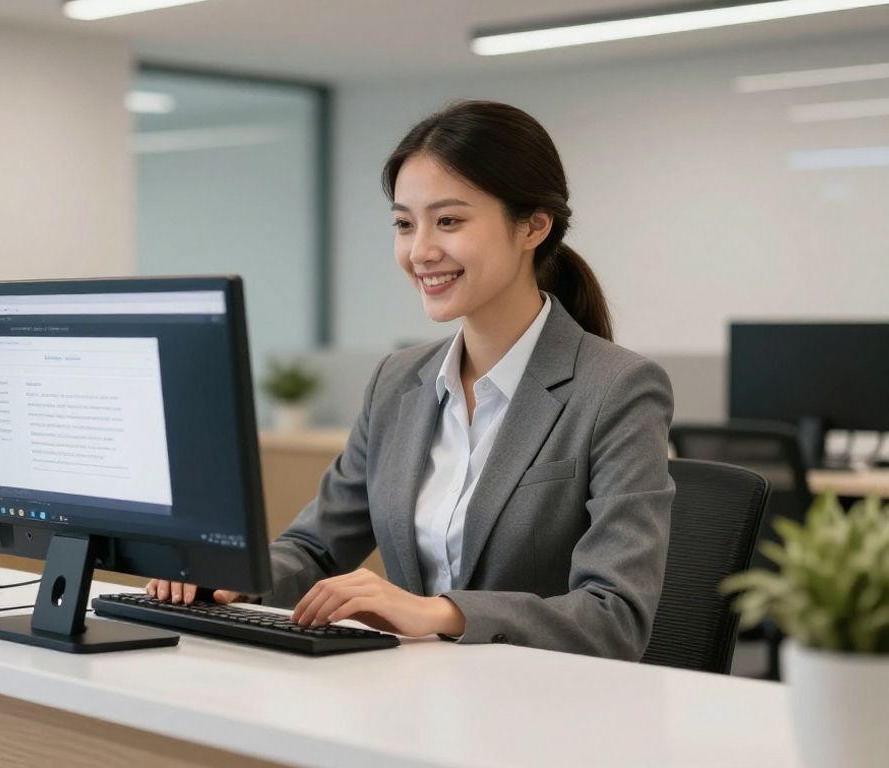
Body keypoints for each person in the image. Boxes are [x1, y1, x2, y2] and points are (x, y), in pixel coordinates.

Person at [148, 100, 674, 661]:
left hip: (542, 711)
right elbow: (315, 548)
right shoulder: (397, 382)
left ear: (533, 226)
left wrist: (437, 612)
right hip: (416, 699)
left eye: (449, 220)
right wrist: (233, 577)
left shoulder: (618, 388)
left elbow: (614, 614)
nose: (420, 251)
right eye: (404, 224)